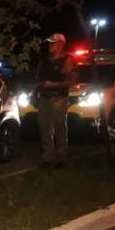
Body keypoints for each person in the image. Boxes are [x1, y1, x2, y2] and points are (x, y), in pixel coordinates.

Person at [34, 33, 77, 168]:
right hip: (44, 98)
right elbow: (37, 78)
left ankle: (61, 158)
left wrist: (54, 85)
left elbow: (71, 80)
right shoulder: (44, 61)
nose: (50, 45)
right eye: (50, 43)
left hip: (59, 98)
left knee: (60, 128)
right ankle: (47, 157)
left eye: (53, 43)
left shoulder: (67, 60)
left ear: (61, 44)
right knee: (45, 129)